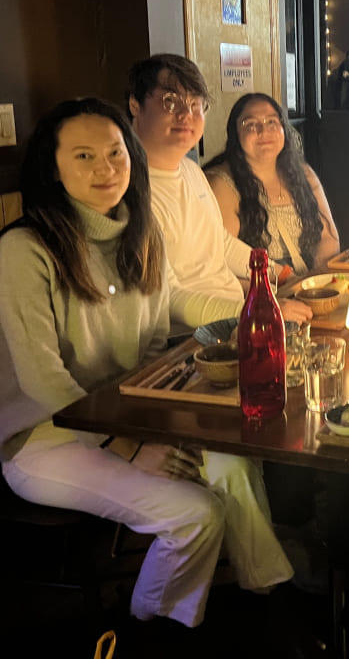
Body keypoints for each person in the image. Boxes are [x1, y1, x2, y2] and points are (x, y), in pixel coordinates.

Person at [0, 98, 294, 630]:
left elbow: (156, 346)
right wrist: (126, 444)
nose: (106, 168)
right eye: (84, 156)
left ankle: (265, 594)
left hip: (126, 418)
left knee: (234, 461)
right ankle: (152, 626)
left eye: (116, 153)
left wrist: (164, 424)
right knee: (194, 515)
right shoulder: (27, 248)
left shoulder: (141, 234)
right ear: (53, 166)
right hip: (45, 438)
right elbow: (44, 381)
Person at [125, 54, 310, 331]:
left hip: (236, 320)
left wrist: (280, 274)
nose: (186, 114)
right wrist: (259, 310)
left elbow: (220, 244)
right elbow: (167, 296)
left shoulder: (191, 171)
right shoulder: (129, 189)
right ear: (135, 106)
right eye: (170, 101)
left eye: (195, 104)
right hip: (191, 337)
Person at [204, 92, 340, 276]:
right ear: (236, 134)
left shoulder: (303, 173)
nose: (263, 131)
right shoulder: (222, 184)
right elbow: (222, 262)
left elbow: (328, 238)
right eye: (250, 124)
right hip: (257, 291)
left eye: (272, 122)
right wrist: (281, 285)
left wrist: (317, 282)